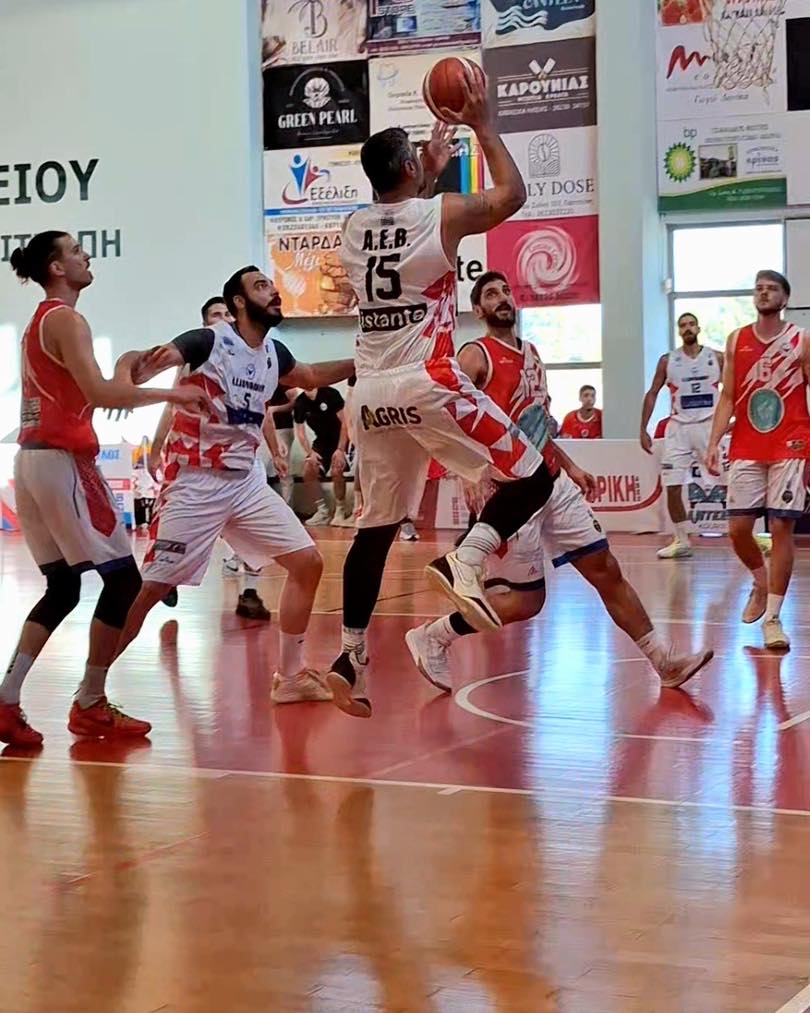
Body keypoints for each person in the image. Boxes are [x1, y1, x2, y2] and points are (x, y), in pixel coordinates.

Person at [328, 79, 571, 718]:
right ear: (410, 169)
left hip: (371, 393)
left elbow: (401, 226)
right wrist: (483, 124)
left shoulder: (352, 226)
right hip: (428, 380)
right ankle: (467, 558)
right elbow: (512, 195)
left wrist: (425, 174)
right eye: (416, 155)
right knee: (534, 474)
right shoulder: (438, 215)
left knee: (375, 529)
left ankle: (350, 655)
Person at [405, 271, 713, 692]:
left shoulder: (532, 355)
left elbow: (536, 427)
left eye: (506, 291)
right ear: (477, 310)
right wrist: (467, 470)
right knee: (526, 601)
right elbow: (444, 416)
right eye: (491, 294)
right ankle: (433, 636)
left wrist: (570, 466)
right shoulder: (476, 355)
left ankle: (664, 661)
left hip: (551, 479)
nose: (502, 298)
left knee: (605, 568)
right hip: (510, 492)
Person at [0, 231, 211, 746]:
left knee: (63, 588)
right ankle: (91, 702)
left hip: (33, 461)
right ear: (56, 268)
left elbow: (101, 389)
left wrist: (125, 368)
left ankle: (6, 699)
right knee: (122, 583)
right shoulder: (66, 319)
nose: (85, 256)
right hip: (63, 461)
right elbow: (101, 394)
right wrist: (174, 394)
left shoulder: (42, 322)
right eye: (75, 251)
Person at [112, 267, 355, 703]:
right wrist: (123, 373)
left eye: (272, 285)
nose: (273, 291)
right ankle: (91, 688)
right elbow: (141, 363)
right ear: (239, 303)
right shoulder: (207, 341)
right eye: (261, 286)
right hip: (195, 483)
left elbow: (311, 375)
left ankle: (291, 677)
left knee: (307, 563)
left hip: (245, 484)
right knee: (150, 591)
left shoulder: (273, 353)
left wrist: (362, 361)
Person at [149, 295, 272, 620]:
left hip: (243, 462)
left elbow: (264, 410)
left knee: (255, 535)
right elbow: (171, 406)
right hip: (200, 464)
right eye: (215, 314)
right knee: (176, 530)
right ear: (205, 324)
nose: (223, 318)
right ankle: (165, 577)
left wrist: (277, 449)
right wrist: (156, 447)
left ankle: (250, 593)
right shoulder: (198, 356)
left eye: (227, 313)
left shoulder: (254, 357)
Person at [706, 270, 810, 651]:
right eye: (759, 288)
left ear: (785, 298)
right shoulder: (737, 340)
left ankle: (773, 619)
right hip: (747, 444)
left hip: (791, 442)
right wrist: (713, 441)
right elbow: (728, 396)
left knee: (782, 527)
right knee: (738, 529)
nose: (763, 293)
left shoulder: (801, 339)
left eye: (772, 289)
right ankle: (760, 581)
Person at [640, 312, 723, 559]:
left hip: (709, 426)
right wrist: (643, 428)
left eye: (691, 324)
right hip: (678, 428)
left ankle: (753, 534)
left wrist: (733, 421)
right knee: (673, 485)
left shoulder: (717, 357)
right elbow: (652, 393)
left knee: (731, 482)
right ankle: (682, 540)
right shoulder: (668, 360)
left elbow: (733, 390)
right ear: (679, 331)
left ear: (698, 328)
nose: (687, 328)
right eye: (683, 325)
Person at [293, 386, 351, 526]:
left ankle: (340, 510)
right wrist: (310, 453)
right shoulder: (300, 402)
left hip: (341, 439)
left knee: (337, 469)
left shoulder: (330, 394)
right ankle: (322, 511)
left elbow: (345, 423)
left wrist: (340, 449)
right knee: (308, 470)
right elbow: (300, 432)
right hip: (322, 442)